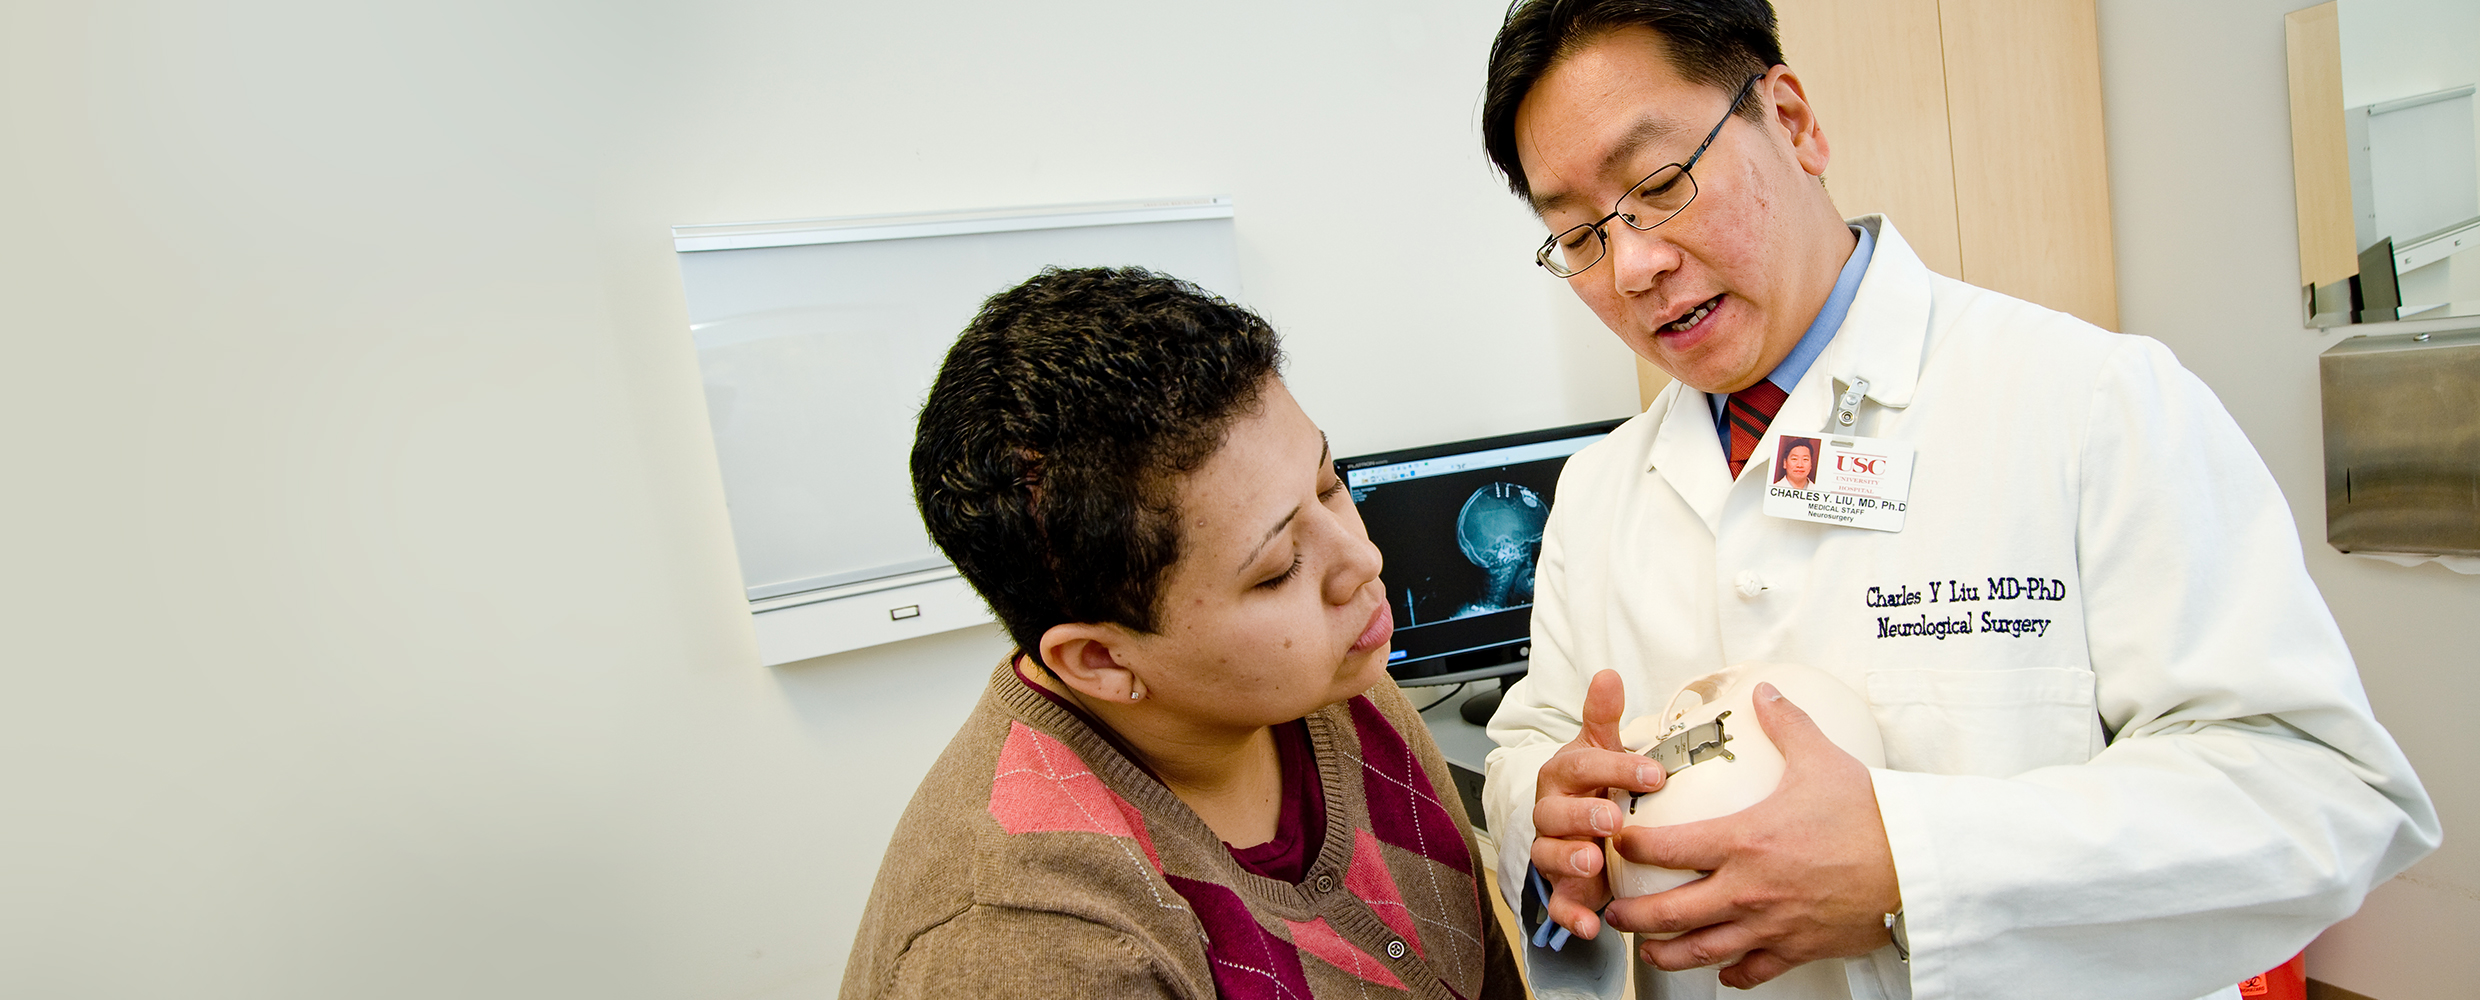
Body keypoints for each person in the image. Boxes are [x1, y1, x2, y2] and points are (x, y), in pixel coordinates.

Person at [1470, 2, 2440, 998]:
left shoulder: (2088, 400)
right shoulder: (1595, 494)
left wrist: (1910, 866)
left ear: (1792, 119)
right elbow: (1531, 748)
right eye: (1577, 235)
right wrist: (1540, 811)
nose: (1632, 267)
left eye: (1660, 184)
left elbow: (2317, 794)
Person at [841, 267, 1523, 999]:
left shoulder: (1335, 674)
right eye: (1276, 569)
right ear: (1101, 659)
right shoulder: (1030, 949)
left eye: (1328, 485)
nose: (1362, 561)